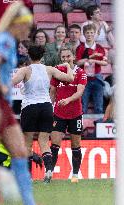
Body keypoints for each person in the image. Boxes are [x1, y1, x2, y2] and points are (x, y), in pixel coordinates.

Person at [0, 2, 36, 205]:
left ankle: (28, 202)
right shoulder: (5, 41)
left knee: (20, 151)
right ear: (17, 24)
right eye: (26, 26)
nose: (28, 30)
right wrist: (2, 87)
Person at [12, 44, 74, 183]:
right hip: (46, 107)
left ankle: (28, 177)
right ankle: (48, 170)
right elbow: (70, 78)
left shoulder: (25, 70)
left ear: (29, 56)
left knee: (27, 143)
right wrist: (69, 66)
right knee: (44, 141)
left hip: (30, 107)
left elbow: (11, 83)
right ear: (42, 56)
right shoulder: (50, 69)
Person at [50, 47, 87, 183]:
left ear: (73, 57)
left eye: (68, 56)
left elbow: (79, 92)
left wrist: (68, 100)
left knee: (76, 145)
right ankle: (49, 174)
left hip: (75, 114)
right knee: (54, 145)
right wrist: (50, 107)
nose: (65, 59)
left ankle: (75, 175)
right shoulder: (57, 72)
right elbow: (53, 92)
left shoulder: (81, 73)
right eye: (63, 57)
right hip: (58, 114)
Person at [76, 23, 108, 114]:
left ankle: (99, 127)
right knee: (83, 106)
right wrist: (89, 58)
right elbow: (77, 63)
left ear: (95, 34)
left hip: (97, 78)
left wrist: (94, 61)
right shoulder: (80, 48)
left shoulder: (99, 48)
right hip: (84, 78)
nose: (89, 35)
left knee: (99, 105)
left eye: (91, 32)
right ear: (84, 34)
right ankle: (81, 127)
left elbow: (105, 62)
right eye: (87, 33)